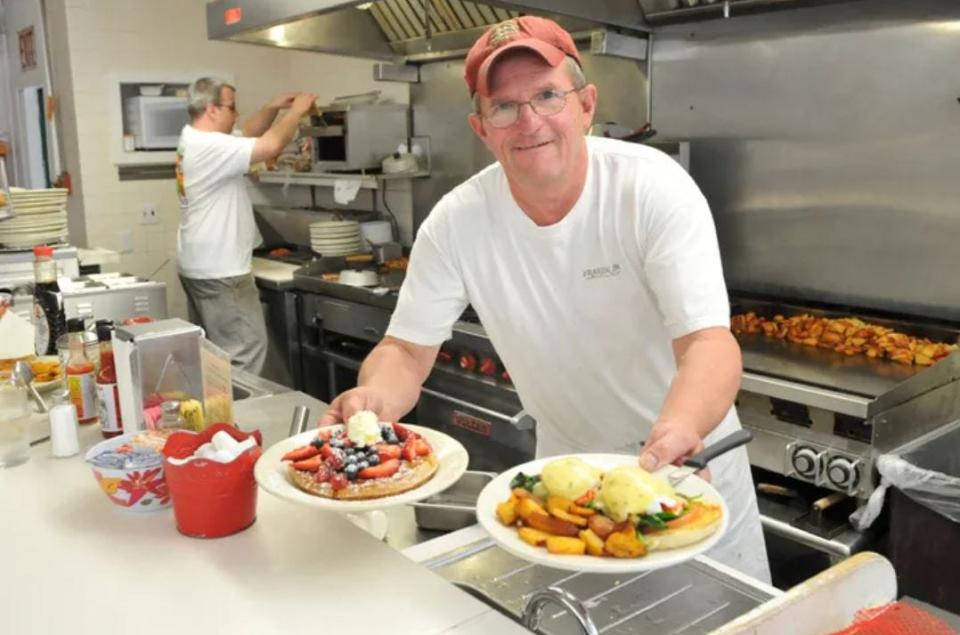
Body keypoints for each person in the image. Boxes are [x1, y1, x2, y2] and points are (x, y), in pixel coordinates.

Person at [319, 17, 771, 582]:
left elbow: (707, 341)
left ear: (586, 104)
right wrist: (374, 399)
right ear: (480, 128)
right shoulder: (457, 222)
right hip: (564, 478)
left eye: (547, 95)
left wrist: (679, 430)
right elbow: (406, 351)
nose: (528, 121)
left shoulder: (651, 187)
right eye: (503, 107)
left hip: (684, 471)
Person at [175, 78, 316, 373]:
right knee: (244, 356)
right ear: (212, 110)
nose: (237, 114)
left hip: (200, 263)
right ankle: (237, 419)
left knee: (218, 358)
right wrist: (296, 111)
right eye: (232, 107)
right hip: (222, 270)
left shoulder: (193, 138)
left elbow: (245, 133)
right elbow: (271, 145)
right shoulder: (209, 145)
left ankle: (221, 417)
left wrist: (272, 108)